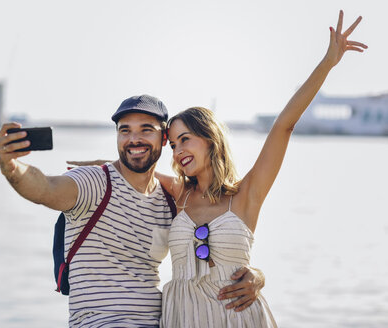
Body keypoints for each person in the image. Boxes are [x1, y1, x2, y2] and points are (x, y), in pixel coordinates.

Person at [156, 10, 366, 327]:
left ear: (210, 139)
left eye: (185, 139)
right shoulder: (176, 193)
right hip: (182, 318)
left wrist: (327, 63)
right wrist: (95, 169)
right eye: (172, 145)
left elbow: (284, 126)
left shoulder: (246, 194)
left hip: (237, 320)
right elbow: (128, 173)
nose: (179, 150)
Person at [0, 95, 265, 327]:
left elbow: (216, 247)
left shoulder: (172, 201)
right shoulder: (94, 182)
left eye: (146, 129)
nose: (134, 139)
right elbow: (45, 189)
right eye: (125, 130)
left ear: (163, 139)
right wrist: (12, 167)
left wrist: (256, 276)